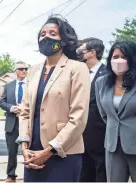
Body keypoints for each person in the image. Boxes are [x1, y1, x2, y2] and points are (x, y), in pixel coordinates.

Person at [16, 15, 91, 182]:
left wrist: (49, 151)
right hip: (32, 152)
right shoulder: (34, 70)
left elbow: (78, 117)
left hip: (63, 153)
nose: (46, 37)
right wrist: (24, 146)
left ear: (63, 39)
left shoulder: (77, 68)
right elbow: (25, 111)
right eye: (42, 34)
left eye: (53, 33)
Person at [95, 40, 136, 182]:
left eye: (124, 57)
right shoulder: (102, 82)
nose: (119, 61)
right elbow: (105, 114)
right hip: (113, 145)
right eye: (115, 56)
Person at [77, 38, 107, 182]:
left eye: (81, 51)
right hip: (80, 133)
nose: (79, 54)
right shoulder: (80, 73)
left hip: (100, 132)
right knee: (84, 170)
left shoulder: (109, 74)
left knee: (101, 170)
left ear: (92, 53)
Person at [0, 61, 28, 182]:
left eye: (26, 69)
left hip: (28, 123)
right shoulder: (9, 85)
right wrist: (12, 108)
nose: (24, 71)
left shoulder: (32, 85)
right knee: (12, 152)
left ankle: (30, 176)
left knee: (29, 151)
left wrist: (24, 108)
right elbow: (2, 102)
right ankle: (11, 176)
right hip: (12, 123)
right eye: (21, 69)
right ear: (15, 71)